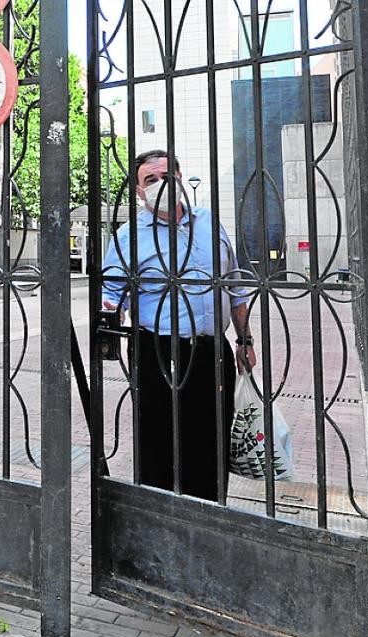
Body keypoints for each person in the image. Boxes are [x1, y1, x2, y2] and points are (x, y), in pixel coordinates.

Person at [100, 150, 257, 501]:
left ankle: (209, 511)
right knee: (158, 440)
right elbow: (113, 291)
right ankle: (159, 515)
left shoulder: (209, 223)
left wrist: (244, 339)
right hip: (157, 350)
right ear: (139, 192)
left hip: (209, 351)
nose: (160, 185)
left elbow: (234, 286)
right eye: (150, 180)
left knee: (211, 438)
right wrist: (111, 310)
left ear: (181, 176)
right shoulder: (129, 236)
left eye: (166, 176)